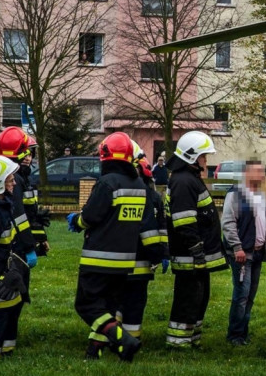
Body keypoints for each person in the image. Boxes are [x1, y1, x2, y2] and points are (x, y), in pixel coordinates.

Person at [67, 133, 146, 361]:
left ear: (105, 156)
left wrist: (77, 221)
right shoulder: (138, 184)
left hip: (98, 257)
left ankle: (123, 339)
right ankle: (95, 351)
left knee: (86, 305)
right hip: (124, 260)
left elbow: (91, 216)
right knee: (107, 308)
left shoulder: (107, 182)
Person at [165, 131, 225, 348]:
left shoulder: (189, 179)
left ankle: (192, 339)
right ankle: (178, 342)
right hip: (190, 255)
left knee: (199, 298)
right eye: (203, 156)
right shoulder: (183, 182)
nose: (206, 161)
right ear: (192, 156)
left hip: (196, 256)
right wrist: (197, 248)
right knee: (188, 300)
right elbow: (184, 221)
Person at [115, 142, 168, 342]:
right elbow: (155, 231)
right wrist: (160, 254)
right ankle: (129, 340)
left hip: (123, 262)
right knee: (133, 303)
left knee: (122, 302)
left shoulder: (122, 191)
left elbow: (159, 229)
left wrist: (162, 253)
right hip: (140, 262)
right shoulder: (152, 197)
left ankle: (119, 337)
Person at [222, 161, 266, 346]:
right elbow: (228, 223)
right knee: (242, 295)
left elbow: (265, 225)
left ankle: (243, 333)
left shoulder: (261, 196)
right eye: (258, 171)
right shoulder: (236, 195)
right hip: (243, 255)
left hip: (258, 254)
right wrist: (237, 248)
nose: (262, 175)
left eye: (263, 171)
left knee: (250, 296)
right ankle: (235, 335)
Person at [0, 126, 36, 356]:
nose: (30, 157)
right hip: (15, 248)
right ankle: (5, 343)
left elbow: (31, 215)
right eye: (26, 151)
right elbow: (20, 217)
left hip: (14, 245)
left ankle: (6, 342)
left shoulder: (15, 177)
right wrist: (29, 247)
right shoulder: (15, 179)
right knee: (13, 293)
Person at [0, 156, 24, 361]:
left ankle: (7, 350)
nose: (14, 183)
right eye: (10, 180)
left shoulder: (2, 206)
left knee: (11, 305)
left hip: (2, 272)